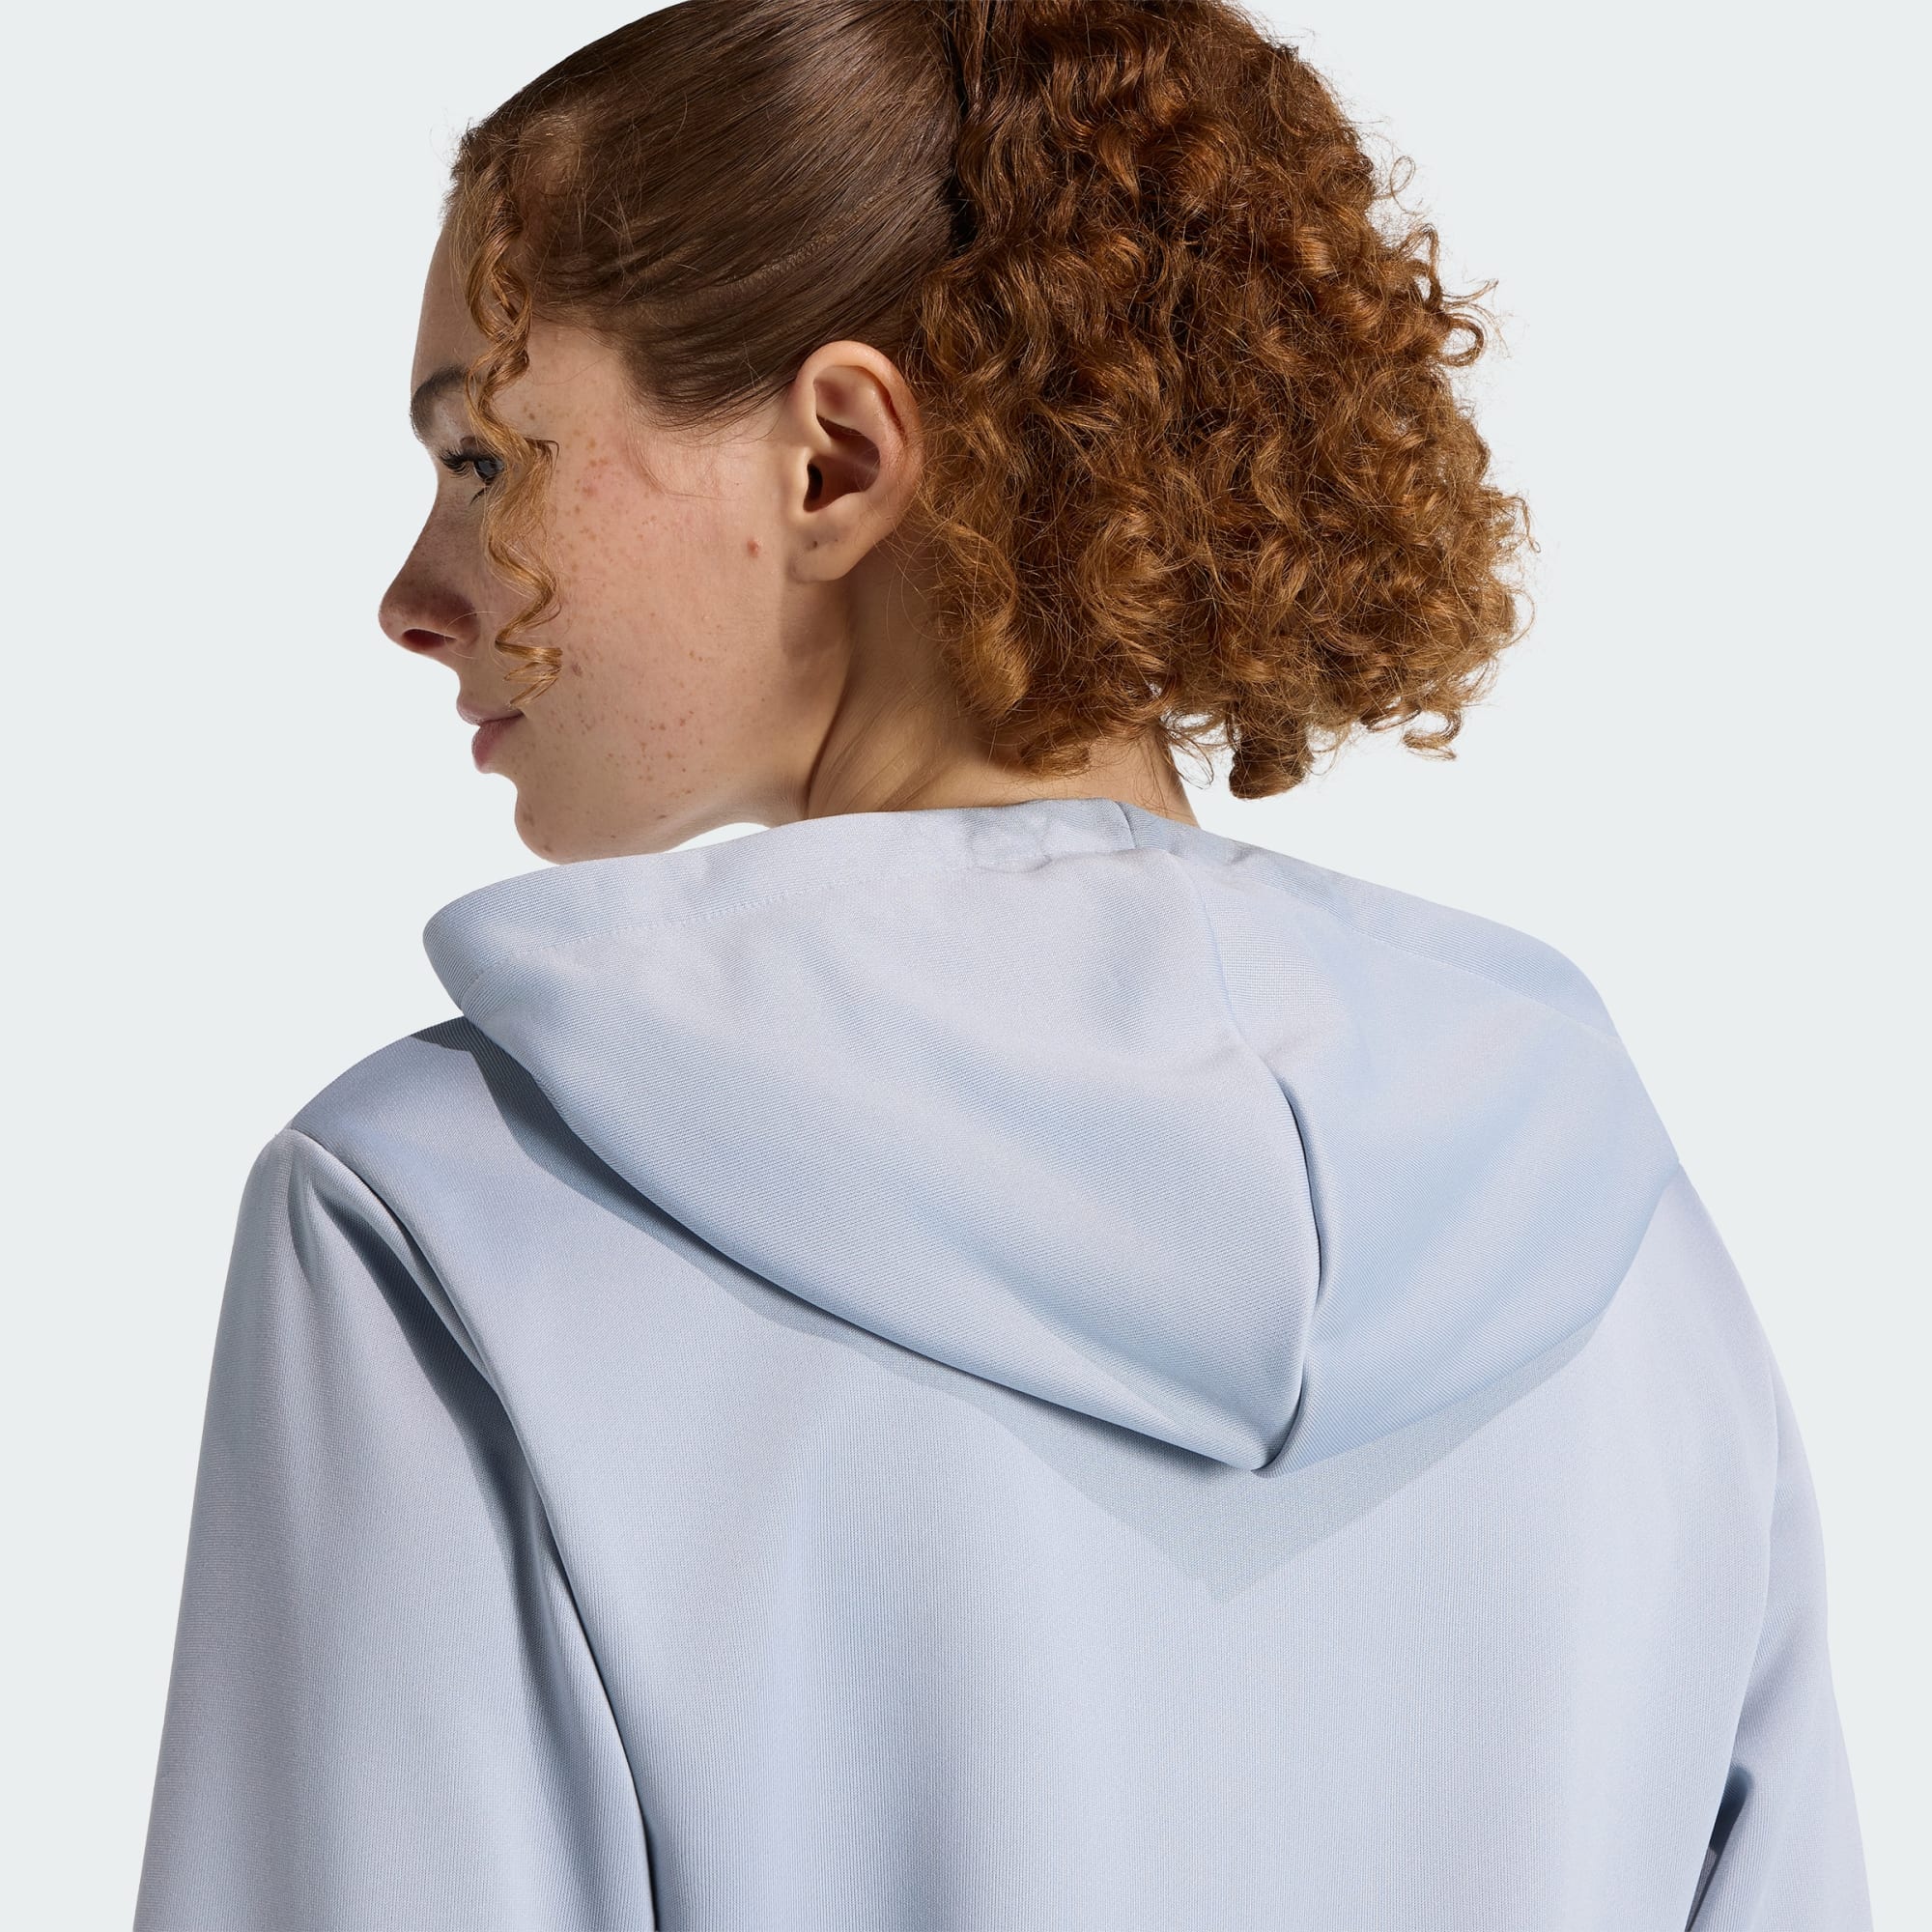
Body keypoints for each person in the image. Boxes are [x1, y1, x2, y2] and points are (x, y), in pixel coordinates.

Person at [132, 3, 1870, 1927]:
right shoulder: (1611, 1238)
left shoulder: (446, 1232)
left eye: (482, 452)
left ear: (833, 461)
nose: (415, 593)